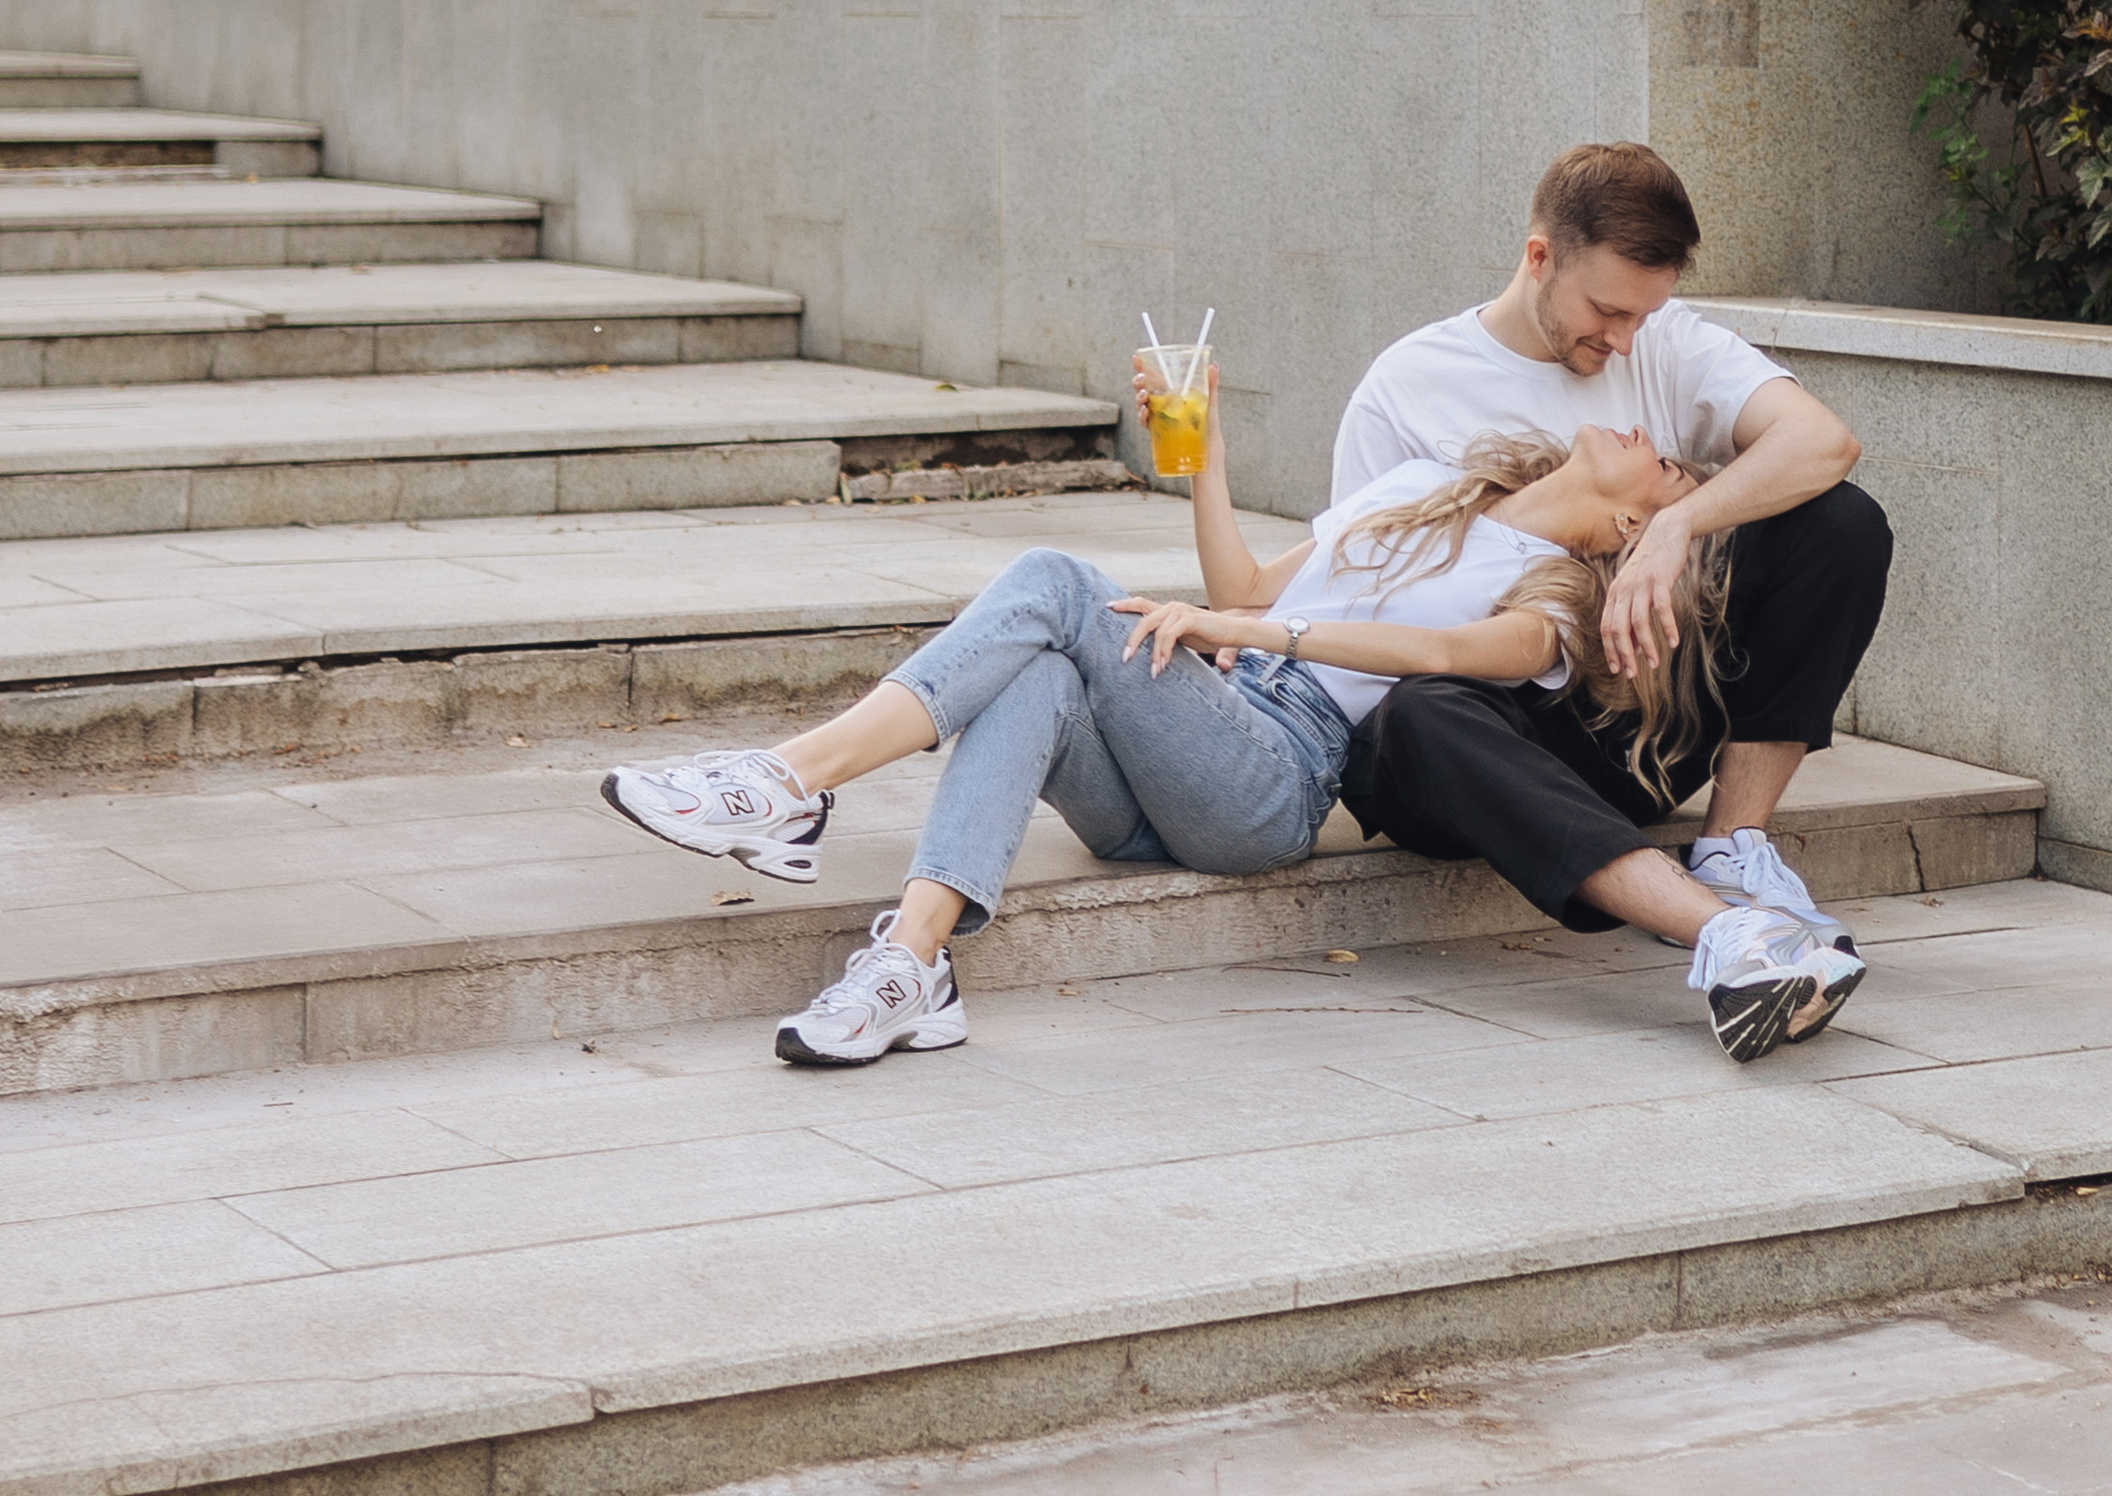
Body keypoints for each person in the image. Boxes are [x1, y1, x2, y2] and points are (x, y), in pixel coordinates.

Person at [597, 367, 1843, 1070]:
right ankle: (913, 963)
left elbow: (1434, 655)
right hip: (1191, 740)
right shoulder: (1427, 484)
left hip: (1272, 776)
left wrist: (1252, 634)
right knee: (1035, 671)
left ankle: (790, 782)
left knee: (1051, 581)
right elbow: (1247, 583)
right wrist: (1202, 455)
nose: (1651, 436)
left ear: (1633, 525)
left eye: (1668, 467)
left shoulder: (1557, 601)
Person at [1331, 139, 1891, 1009]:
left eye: (1643, 313)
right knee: (1415, 713)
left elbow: (1823, 441)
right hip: (1478, 742)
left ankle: (1732, 847)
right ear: (1539, 256)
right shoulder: (1408, 387)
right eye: (1606, 310)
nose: (1625, 339)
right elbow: (1355, 602)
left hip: (1635, 724)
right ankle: (1720, 932)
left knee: (1841, 523)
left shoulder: (1660, 339)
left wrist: (1677, 523)